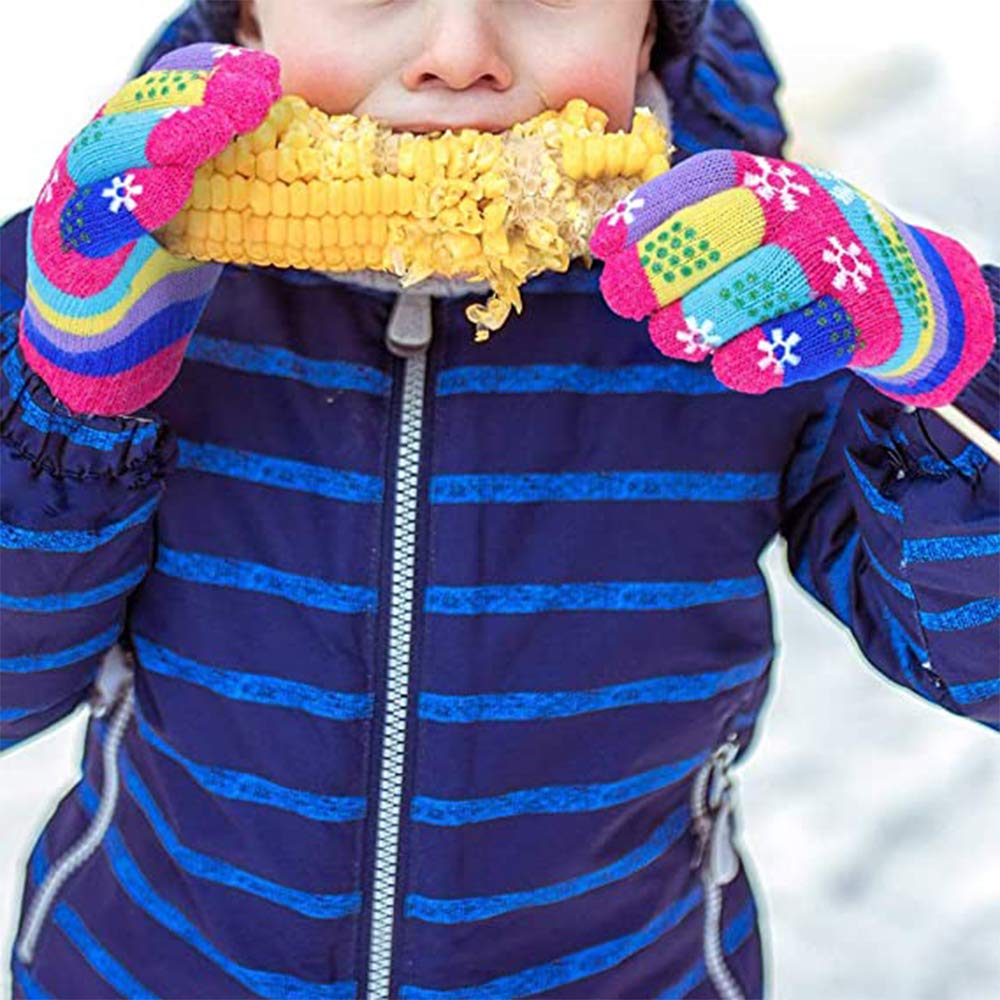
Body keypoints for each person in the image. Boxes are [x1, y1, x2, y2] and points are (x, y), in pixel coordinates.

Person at [2, 1, 996, 997]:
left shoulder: (768, 303)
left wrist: (958, 358)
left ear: (649, 30)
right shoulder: (95, 271)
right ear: (250, 18)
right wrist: (60, 404)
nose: (457, 57)